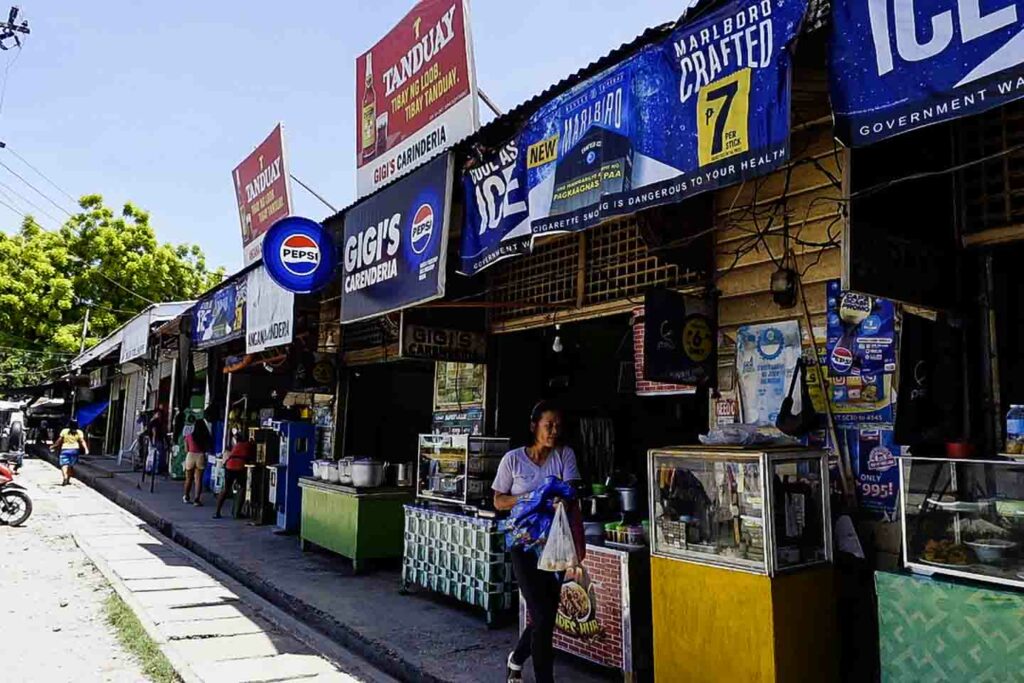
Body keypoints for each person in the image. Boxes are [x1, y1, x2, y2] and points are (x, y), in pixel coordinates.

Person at [492, 401, 580, 683]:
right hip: (523, 545)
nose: (554, 430)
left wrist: (561, 499)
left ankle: (516, 658)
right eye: (548, 425)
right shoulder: (513, 460)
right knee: (541, 614)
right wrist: (531, 498)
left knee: (546, 615)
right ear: (534, 426)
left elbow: (571, 492)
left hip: (554, 545)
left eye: (557, 425)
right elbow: (498, 500)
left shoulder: (564, 455)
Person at [215, 431, 253, 519]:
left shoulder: (235, 446)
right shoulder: (247, 445)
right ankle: (237, 513)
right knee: (242, 489)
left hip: (229, 466)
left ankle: (217, 512)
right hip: (239, 467)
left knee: (225, 489)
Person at [183, 413, 211, 506]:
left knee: (188, 478)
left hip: (190, 455)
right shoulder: (205, 436)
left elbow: (186, 449)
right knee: (198, 480)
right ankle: (196, 500)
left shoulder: (189, 435)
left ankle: (186, 496)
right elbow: (208, 447)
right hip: (200, 456)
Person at [54, 418, 88, 486]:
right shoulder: (79, 432)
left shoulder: (64, 431)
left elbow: (59, 440)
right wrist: (86, 449)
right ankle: (68, 479)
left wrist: (54, 445)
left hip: (65, 449)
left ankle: (65, 477)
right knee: (70, 465)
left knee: (64, 465)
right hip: (75, 450)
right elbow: (82, 441)